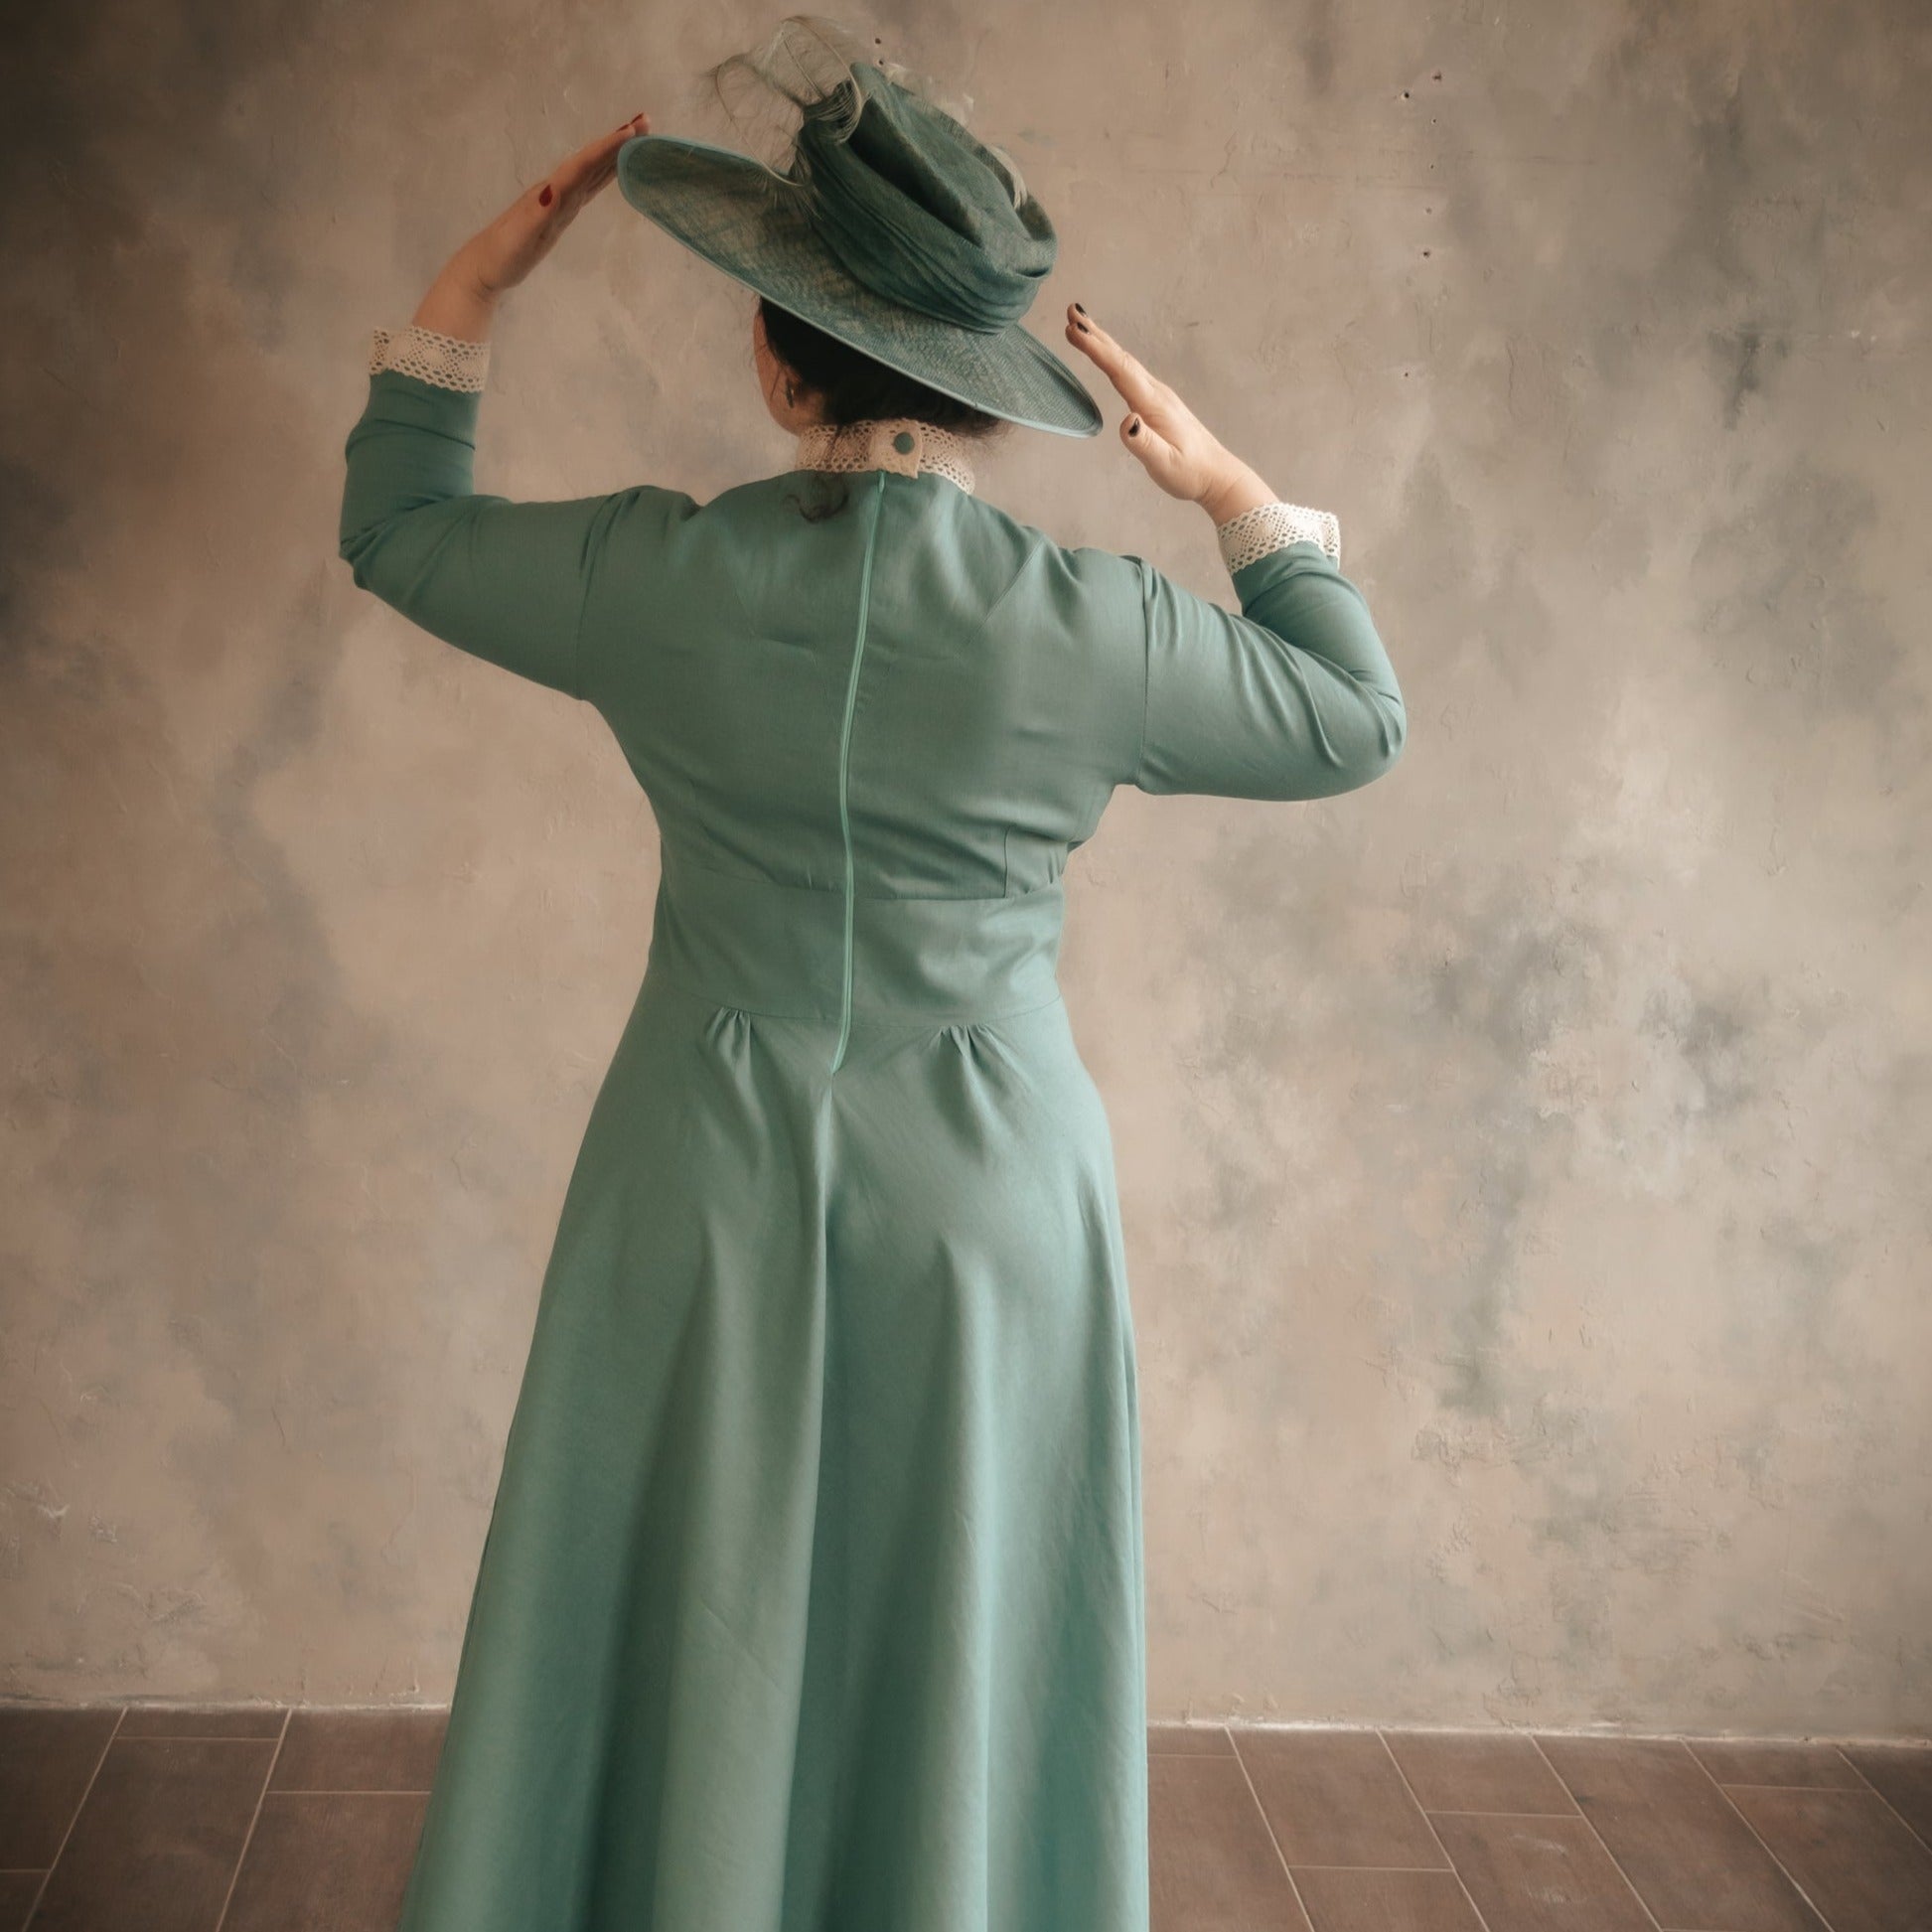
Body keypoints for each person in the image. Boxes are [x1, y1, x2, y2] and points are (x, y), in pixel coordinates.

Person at [337, 19, 1405, 1930]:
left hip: (701, 1170)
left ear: (769, 346)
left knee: (696, 1612)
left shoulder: (656, 578)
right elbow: (1352, 720)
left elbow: (399, 530)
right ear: (987, 392)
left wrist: (468, 287)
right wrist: (1232, 490)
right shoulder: (1091, 629)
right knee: (957, 1633)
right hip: (991, 1198)